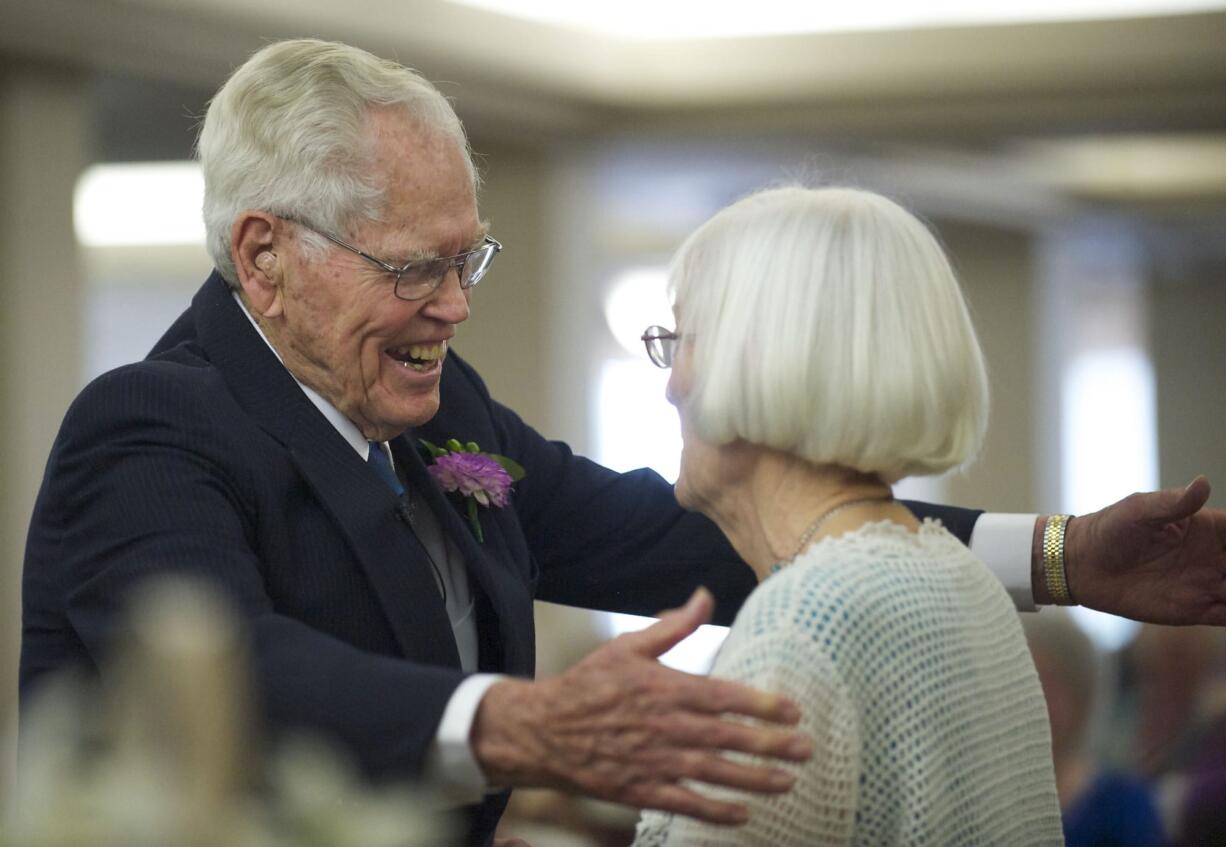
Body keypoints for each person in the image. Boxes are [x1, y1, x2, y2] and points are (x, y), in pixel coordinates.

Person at [18, 38, 1226, 846]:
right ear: (264, 257)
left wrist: (1065, 556)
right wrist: (513, 725)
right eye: (414, 268)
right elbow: (235, 676)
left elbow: (672, 534)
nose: (454, 303)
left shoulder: (452, 436)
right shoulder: (151, 432)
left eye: (466, 257)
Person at [632, 185, 1061, 844]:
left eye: (680, 339)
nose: (668, 385)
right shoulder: (961, 578)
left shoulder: (805, 622)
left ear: (757, 358)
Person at [1022, 609, 1167, 847]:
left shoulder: (1122, 807)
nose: (1034, 703)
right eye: (1023, 685)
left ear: (1081, 696)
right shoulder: (979, 801)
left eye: (1048, 685)